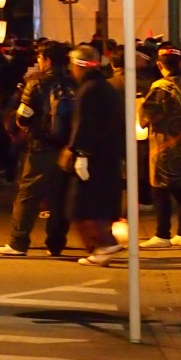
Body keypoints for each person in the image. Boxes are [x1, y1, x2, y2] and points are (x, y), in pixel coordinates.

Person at [0, 40, 75, 258]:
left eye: (40, 58)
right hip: (67, 148)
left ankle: (18, 242)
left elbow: (23, 116)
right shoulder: (74, 82)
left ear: (47, 59)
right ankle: (56, 243)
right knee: (60, 196)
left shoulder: (35, 83)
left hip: (41, 146)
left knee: (28, 194)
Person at [64, 44, 124, 266]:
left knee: (84, 204)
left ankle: (104, 243)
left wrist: (80, 153)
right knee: (95, 203)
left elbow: (83, 125)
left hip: (93, 156)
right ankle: (102, 245)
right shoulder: (105, 87)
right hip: (108, 154)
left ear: (79, 66)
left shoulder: (88, 90)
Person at [139, 44, 181, 248]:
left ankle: (162, 234)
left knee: (161, 190)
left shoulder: (159, 87)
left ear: (159, 64)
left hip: (163, 146)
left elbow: (145, 118)